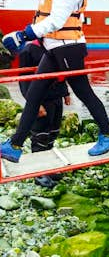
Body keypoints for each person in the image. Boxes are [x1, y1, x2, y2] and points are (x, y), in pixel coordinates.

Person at [1, 0, 109, 163]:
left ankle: (108, 135)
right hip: (55, 48)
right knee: (35, 96)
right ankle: (15, 146)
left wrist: (25, 35)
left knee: (84, 93)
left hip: (67, 49)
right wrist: (28, 33)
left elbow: (56, 20)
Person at [19, 41, 70, 188]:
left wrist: (65, 92)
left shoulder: (54, 46)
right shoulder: (29, 50)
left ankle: (49, 167)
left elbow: (60, 71)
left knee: (53, 133)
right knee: (40, 135)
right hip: (41, 98)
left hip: (56, 96)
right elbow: (24, 79)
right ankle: (39, 172)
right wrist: (34, 103)